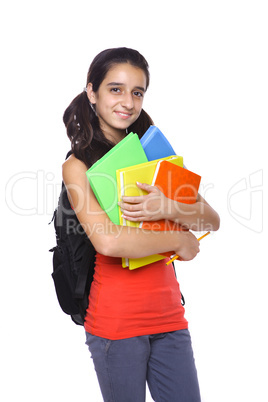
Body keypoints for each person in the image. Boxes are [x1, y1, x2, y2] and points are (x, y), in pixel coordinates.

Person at [62, 47, 220, 402]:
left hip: (169, 317)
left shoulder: (154, 150)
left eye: (137, 92)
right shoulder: (78, 166)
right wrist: (178, 242)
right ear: (92, 92)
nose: (128, 102)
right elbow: (110, 243)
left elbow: (211, 218)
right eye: (115, 89)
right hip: (116, 325)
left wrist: (168, 206)